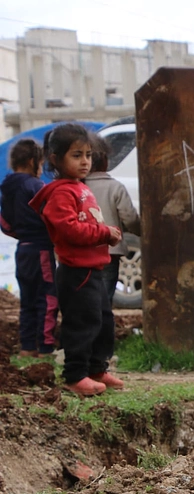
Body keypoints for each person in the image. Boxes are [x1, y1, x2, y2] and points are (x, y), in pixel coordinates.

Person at [30, 124, 123, 396]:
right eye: (76, 155)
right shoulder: (60, 192)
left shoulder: (79, 187)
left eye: (88, 155)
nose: (85, 161)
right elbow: (69, 230)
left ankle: (96, 368)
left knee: (103, 320)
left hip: (93, 268)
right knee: (82, 323)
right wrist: (104, 233)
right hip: (75, 271)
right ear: (56, 159)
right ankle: (75, 374)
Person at [0, 139, 59, 357]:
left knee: (27, 300)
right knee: (47, 298)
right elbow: (51, 215)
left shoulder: (7, 188)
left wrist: (22, 234)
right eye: (41, 164)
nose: (41, 170)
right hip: (41, 249)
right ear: (33, 161)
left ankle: (27, 346)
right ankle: (45, 347)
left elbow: (5, 224)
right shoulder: (35, 186)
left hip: (22, 250)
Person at [85, 135, 140, 306]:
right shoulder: (115, 187)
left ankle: (89, 330)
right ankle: (103, 330)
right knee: (105, 297)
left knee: (86, 298)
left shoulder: (77, 187)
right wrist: (139, 231)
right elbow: (130, 218)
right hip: (110, 253)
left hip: (83, 254)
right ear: (106, 162)